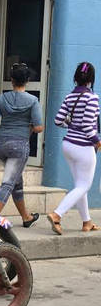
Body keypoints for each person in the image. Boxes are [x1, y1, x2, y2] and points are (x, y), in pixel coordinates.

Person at [0, 63, 43, 227]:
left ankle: (26, 217)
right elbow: (39, 127)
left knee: (16, 181)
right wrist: (28, 127)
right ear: (28, 81)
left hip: (1, 145)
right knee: (8, 183)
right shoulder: (32, 101)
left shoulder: (1, 99)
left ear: (11, 80)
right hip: (19, 146)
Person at [47, 62, 101, 235]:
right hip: (84, 148)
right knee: (84, 186)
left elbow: (58, 120)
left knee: (80, 185)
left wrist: (72, 124)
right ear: (91, 79)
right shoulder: (92, 98)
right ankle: (57, 214)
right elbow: (87, 125)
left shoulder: (69, 97)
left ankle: (87, 222)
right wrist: (97, 141)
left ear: (76, 78)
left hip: (68, 145)